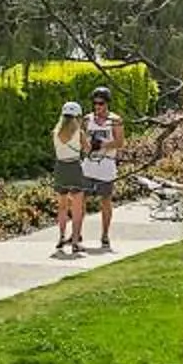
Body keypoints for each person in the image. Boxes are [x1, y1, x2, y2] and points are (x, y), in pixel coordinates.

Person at [80, 84, 121, 254]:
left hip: (106, 165)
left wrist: (104, 144)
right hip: (89, 165)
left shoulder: (115, 120)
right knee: (80, 199)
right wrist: (87, 147)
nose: (98, 107)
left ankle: (105, 234)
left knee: (105, 200)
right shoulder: (87, 119)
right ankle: (77, 233)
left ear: (107, 104)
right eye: (95, 103)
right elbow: (81, 139)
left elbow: (120, 142)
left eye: (101, 103)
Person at [50, 101, 88, 257]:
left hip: (60, 168)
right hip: (74, 167)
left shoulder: (55, 132)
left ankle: (61, 237)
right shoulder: (79, 133)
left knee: (62, 206)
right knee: (77, 207)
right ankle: (75, 241)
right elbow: (87, 149)